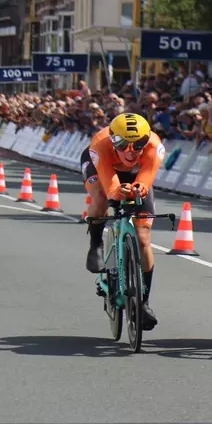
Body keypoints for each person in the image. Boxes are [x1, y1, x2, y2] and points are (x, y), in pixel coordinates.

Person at [80, 113, 165, 331]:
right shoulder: (100, 144)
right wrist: (116, 191)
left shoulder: (155, 147)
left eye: (137, 145)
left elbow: (146, 179)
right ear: (112, 139)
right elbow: (110, 184)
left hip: (136, 175)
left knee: (144, 238)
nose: (130, 151)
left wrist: (139, 188)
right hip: (103, 169)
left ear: (146, 141)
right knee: (100, 197)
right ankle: (95, 245)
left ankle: (143, 301)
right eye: (122, 144)